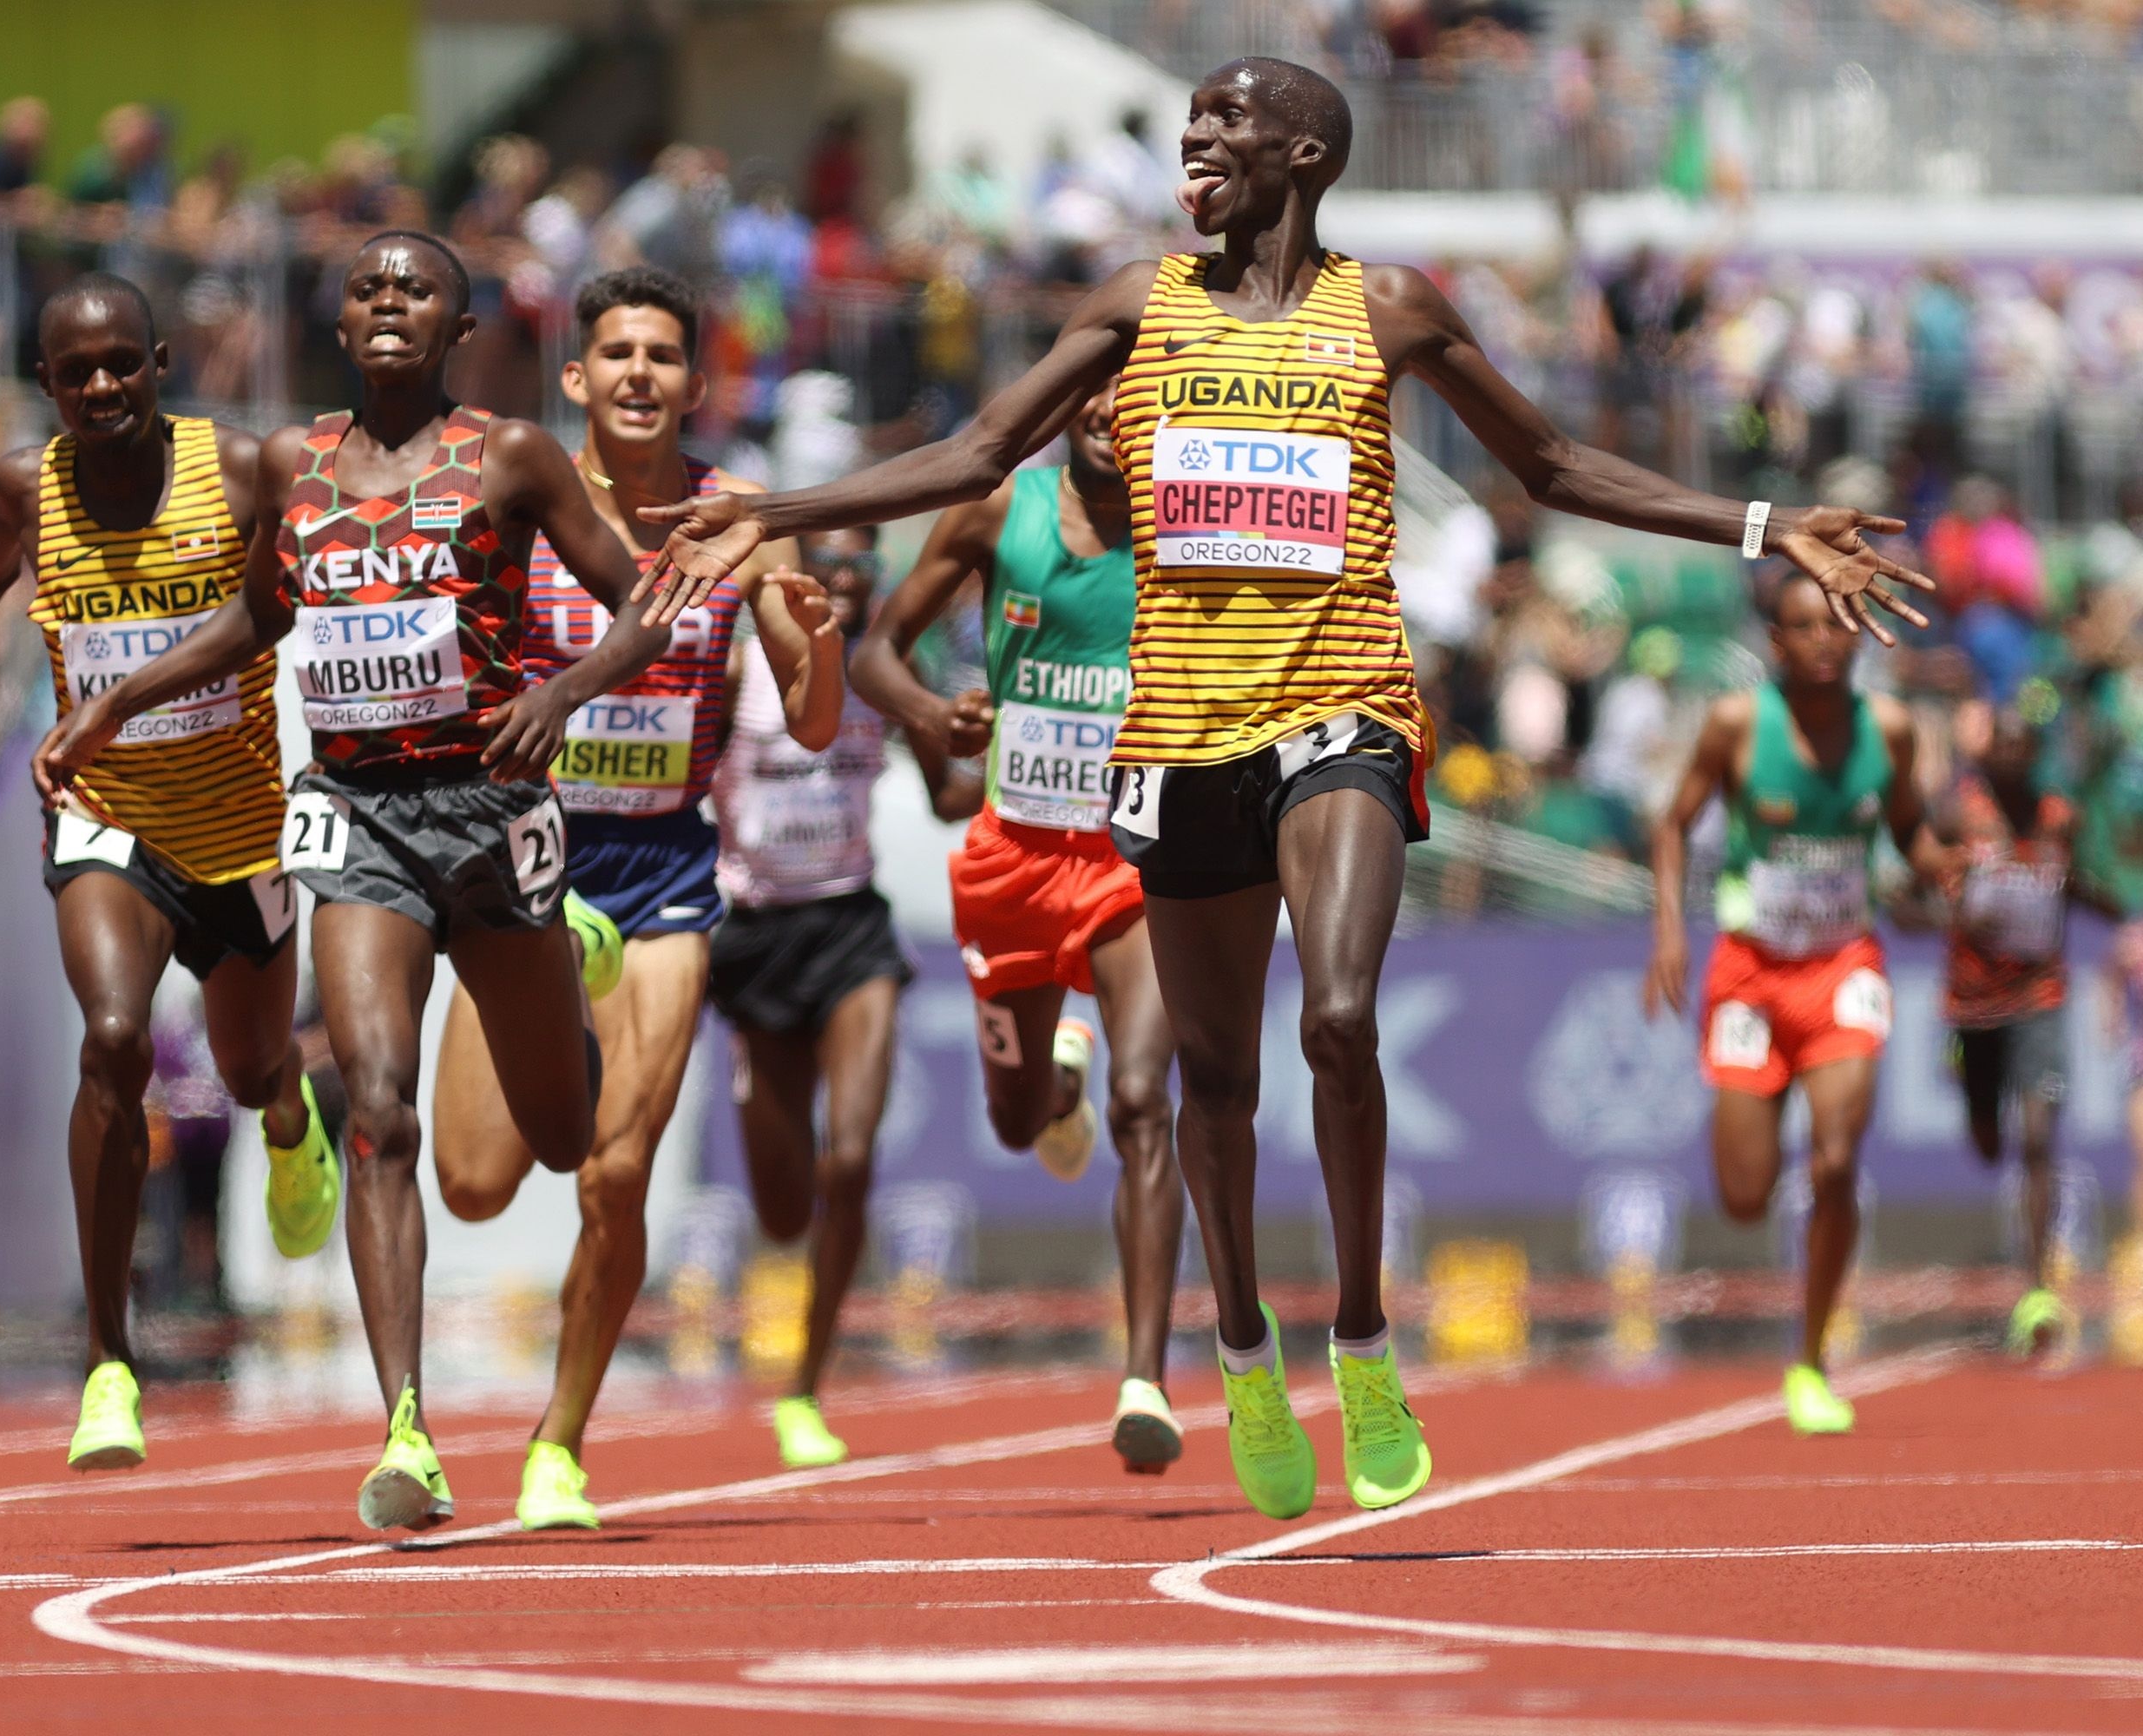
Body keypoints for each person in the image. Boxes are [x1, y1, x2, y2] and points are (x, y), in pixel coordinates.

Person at [633, 56, 1930, 1521]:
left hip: (1344, 706)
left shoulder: (1392, 310)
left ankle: (1362, 1334)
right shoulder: (1139, 305)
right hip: (1183, 735)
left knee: (1338, 1015)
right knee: (1218, 1081)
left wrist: (1769, 526)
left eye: (1231, 121)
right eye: (1193, 119)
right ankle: (1242, 1340)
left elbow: (1554, 465)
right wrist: (776, 510)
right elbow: (980, 447)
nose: (1199, 135)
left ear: (1304, 155)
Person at [35, 232, 668, 1534]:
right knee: (376, 1106)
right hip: (355, 815)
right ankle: (408, 1434)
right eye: (369, 288)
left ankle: (577, 947)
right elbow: (256, 617)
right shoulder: (296, 461)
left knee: (559, 1136)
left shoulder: (510, 454)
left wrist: (562, 691)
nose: (390, 303)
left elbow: (645, 598)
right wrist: (113, 706)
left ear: (461, 324)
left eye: (416, 289)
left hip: (493, 811)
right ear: (342, 324)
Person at [0, 273, 333, 1471]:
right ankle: (109, 1360)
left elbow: (270, 618)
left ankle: (292, 1118)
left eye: (120, 364)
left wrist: (117, 702)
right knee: (112, 1039)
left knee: (256, 1061)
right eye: (74, 372)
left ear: (158, 363)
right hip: (109, 821)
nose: (100, 386)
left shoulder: (250, 470)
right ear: (45, 386)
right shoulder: (26, 490)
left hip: (241, 827)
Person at [425, 266, 843, 1531]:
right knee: (474, 1184)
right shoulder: (524, 492)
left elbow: (816, 727)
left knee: (616, 1177)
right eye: (617, 354)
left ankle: (560, 1443)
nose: (640, 374)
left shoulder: (744, 522)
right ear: (578, 377)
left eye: (664, 355)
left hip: (662, 875)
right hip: (525, 873)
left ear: (695, 384)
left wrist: (815, 643)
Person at [848, 376, 1183, 1474]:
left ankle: (1144, 1374)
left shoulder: (1192, 531)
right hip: (1013, 858)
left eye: (1138, 398)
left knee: (1150, 1102)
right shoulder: (1000, 510)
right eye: (1094, 390)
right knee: (1014, 1119)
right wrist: (934, 723)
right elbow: (876, 652)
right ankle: (1056, 1084)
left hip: (1137, 857)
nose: (1110, 411)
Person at [1646, 574, 1937, 1432]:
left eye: (1835, 624)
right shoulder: (1738, 723)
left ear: (1855, 636)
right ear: (1777, 642)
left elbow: (1911, 829)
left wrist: (1942, 863)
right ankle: (1755, 1128)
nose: (1821, 640)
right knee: (1744, 1193)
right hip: (1749, 974)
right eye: (1803, 626)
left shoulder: (1888, 728)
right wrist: (1668, 930)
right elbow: (1672, 825)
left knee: (1837, 1161)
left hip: (1845, 964)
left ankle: (1811, 1359)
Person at [707, 529, 971, 1470]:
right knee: (781, 1210)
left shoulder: (884, 675)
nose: (851, 577)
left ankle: (807, 1385)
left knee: (851, 1156)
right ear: (793, 580)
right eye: (831, 561)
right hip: (754, 934)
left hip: (852, 925)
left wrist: (981, 739)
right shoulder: (736, 671)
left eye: (864, 562)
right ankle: (800, 1339)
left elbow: (949, 797)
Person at [1939, 703, 2091, 1358]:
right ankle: (1969, 1082)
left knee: (2036, 1139)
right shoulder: (1957, 814)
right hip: (1974, 1004)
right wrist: (1935, 905)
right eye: (1999, 747)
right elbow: (1917, 877)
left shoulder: (2060, 818)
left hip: (2040, 993)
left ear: (2035, 756)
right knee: (1986, 1137)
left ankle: (2036, 1288)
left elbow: (2075, 885)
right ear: (1983, 756)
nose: (2010, 758)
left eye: (2021, 748)